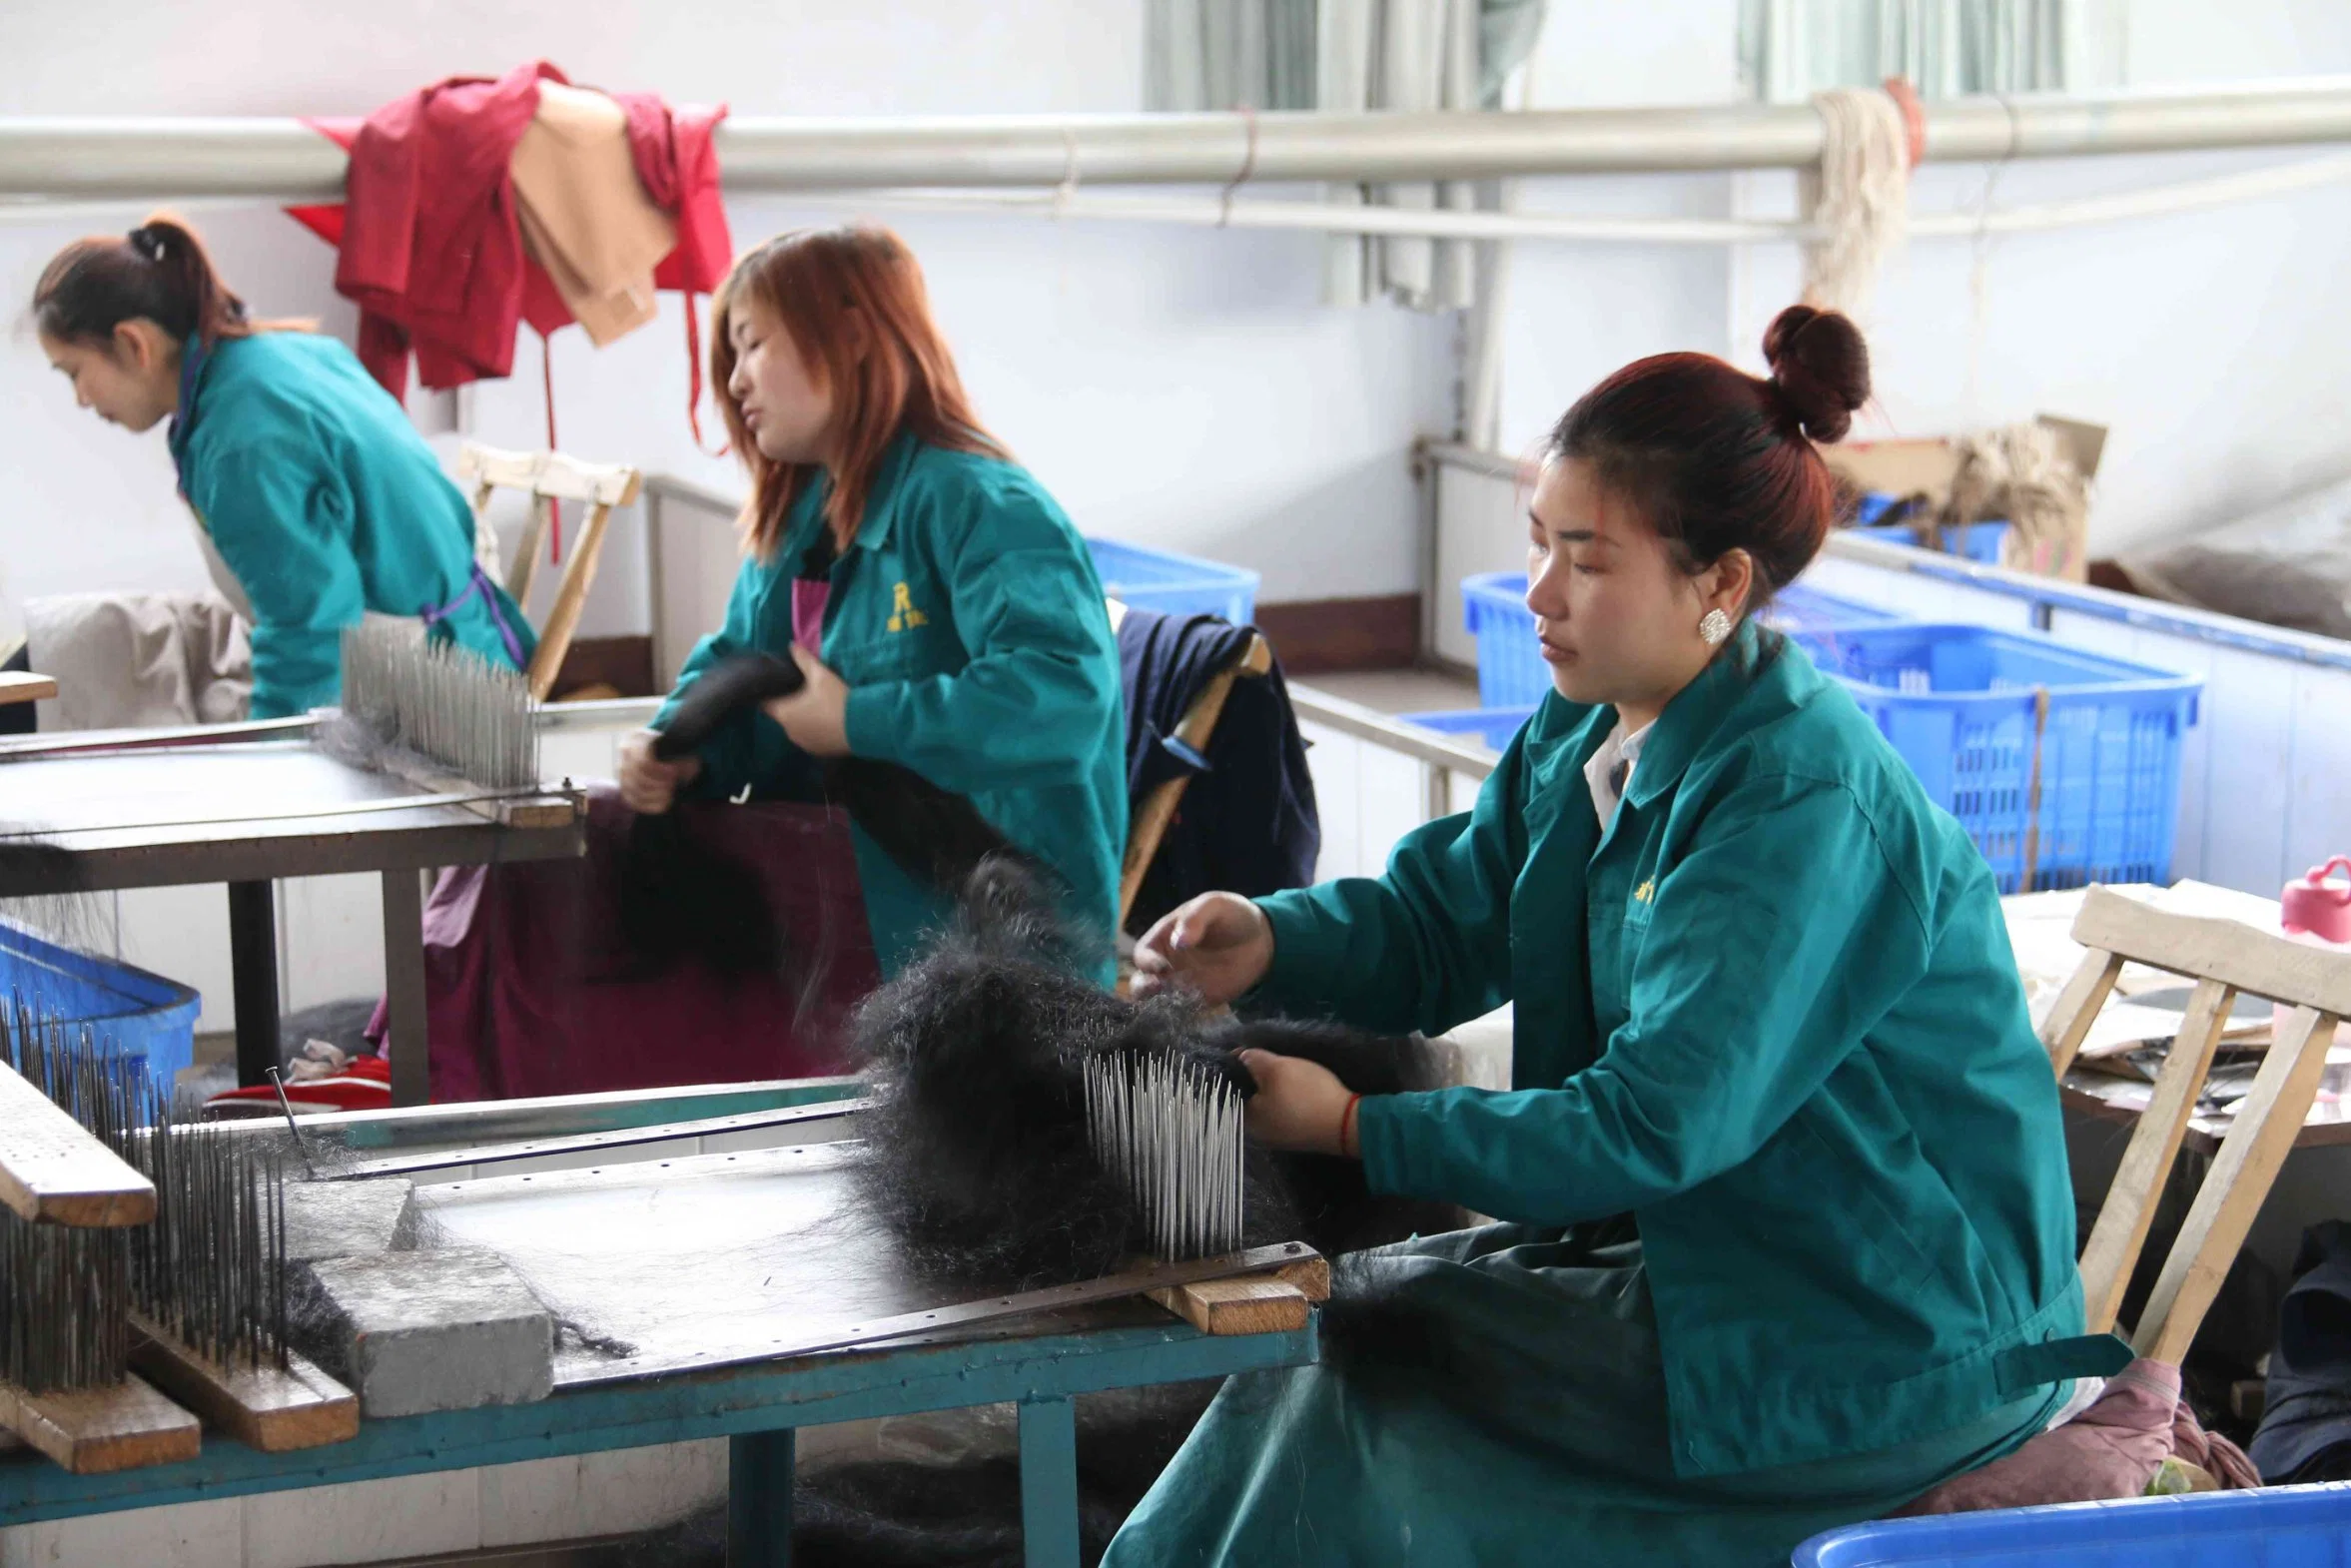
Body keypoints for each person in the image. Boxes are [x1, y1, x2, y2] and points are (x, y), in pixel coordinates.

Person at [1112, 307, 2101, 1566]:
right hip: (1725, 1263)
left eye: (1584, 558)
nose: (1537, 594)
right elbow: (1443, 916)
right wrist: (1268, 937)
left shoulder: (1793, 805)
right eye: (1537, 544)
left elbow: (1649, 1125)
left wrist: (1356, 1126)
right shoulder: (1594, 730)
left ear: (1720, 583)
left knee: (1358, 1370)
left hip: (1875, 1341)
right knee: (1339, 1331)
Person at [619, 225, 1127, 978]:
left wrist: (858, 722)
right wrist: (682, 752)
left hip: (1005, 970)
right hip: (846, 943)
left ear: (853, 335)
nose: (735, 383)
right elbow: (744, 667)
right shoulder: (800, 521)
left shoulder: (982, 507)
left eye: (754, 344)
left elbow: (1061, 698)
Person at [33, 217, 532, 718]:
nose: (80, 398)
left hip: (429, 678)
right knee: (85, 636)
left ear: (132, 344)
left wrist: (269, 758)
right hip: (449, 631)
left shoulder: (239, 441)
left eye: (75, 373)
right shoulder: (283, 354)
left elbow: (312, 631)